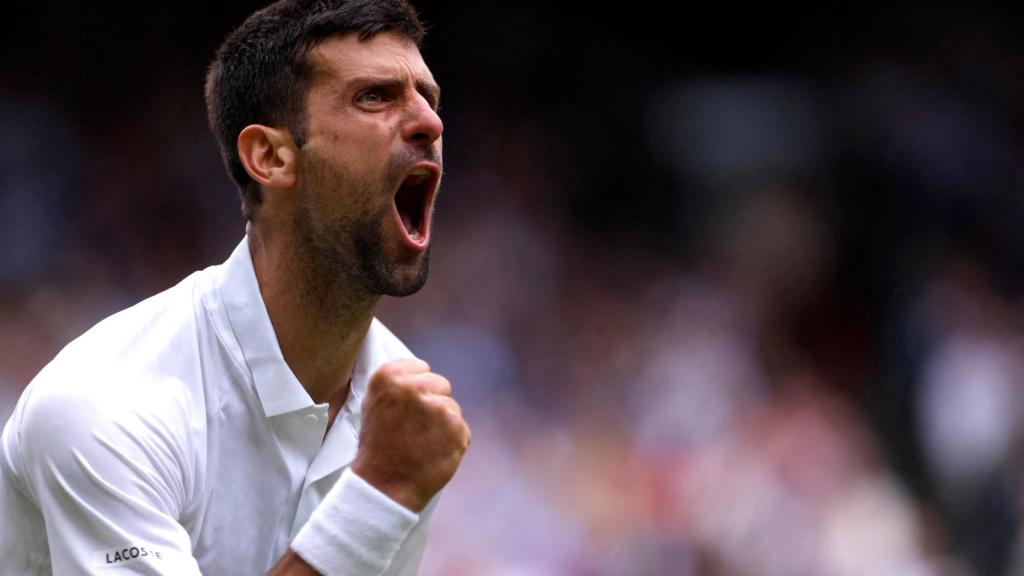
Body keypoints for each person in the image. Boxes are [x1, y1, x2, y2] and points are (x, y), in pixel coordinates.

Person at [0, 0, 471, 574]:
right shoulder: (103, 405)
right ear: (270, 157)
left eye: (429, 97)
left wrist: (385, 489)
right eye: (375, 96)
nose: (430, 122)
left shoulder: (401, 414)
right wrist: (377, 496)